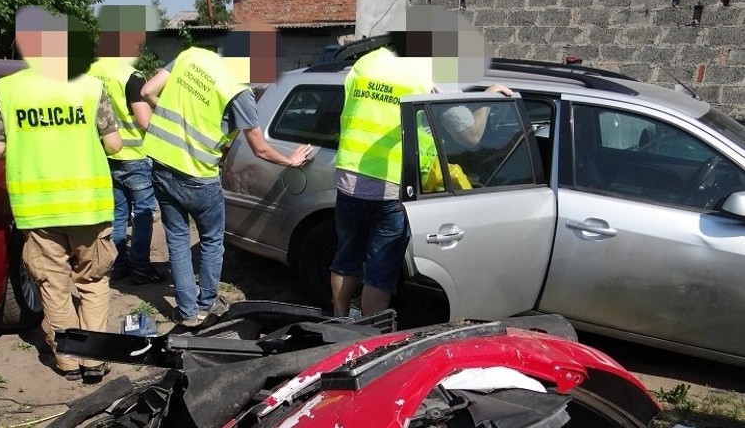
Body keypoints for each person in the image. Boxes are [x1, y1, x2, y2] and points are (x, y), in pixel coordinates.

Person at [0, 6, 122, 381]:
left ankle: (68, 362)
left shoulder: (7, 89)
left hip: (38, 212)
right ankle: (93, 361)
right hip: (88, 208)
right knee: (92, 284)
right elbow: (113, 144)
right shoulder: (91, 86)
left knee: (55, 286)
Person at [330, 45, 513, 318]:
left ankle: (339, 315)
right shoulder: (426, 72)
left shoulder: (366, 62)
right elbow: (471, 136)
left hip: (349, 177)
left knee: (347, 258)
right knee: (380, 270)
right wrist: (487, 98)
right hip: (391, 186)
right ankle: (366, 334)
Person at [141, 46, 313, 328]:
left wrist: (181, 122)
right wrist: (291, 160)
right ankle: (206, 304)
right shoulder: (238, 92)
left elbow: (147, 92)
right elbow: (260, 149)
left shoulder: (192, 55)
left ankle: (186, 311)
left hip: (161, 164)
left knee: (177, 237)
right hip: (198, 177)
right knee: (210, 240)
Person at [88, 34, 163, 285]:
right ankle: (141, 268)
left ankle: (118, 265)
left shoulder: (89, 73)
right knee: (142, 213)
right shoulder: (131, 76)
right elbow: (144, 120)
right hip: (135, 156)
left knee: (119, 213)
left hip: (105, 154)